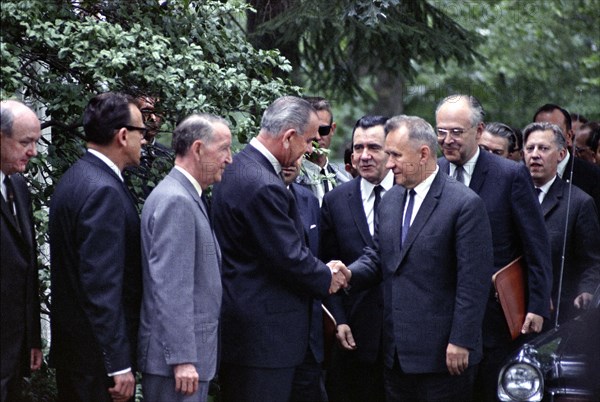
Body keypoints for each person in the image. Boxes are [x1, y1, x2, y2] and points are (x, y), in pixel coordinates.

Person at [345, 115, 494, 401]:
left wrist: (461, 340)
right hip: (396, 356)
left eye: (395, 155)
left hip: (444, 358)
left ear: (424, 154)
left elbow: (473, 283)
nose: (388, 164)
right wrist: (348, 274)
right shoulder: (390, 200)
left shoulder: (464, 205)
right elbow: (379, 257)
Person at [211, 96, 349, 402]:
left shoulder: (239, 166)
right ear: (289, 137)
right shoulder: (263, 183)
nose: (311, 149)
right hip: (263, 340)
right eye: (310, 141)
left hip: (253, 333)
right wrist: (327, 276)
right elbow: (288, 257)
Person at [436, 94, 552, 402]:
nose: (447, 140)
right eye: (441, 131)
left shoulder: (509, 175)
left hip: (495, 317)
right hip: (441, 316)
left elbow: (536, 244)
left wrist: (537, 305)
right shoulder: (431, 173)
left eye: (456, 132)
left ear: (478, 130)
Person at [49, 92, 145, 402]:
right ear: (122, 135)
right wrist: (117, 363)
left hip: (78, 355)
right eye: (141, 131)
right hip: (96, 365)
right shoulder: (103, 190)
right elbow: (102, 286)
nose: (145, 140)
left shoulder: (75, 177)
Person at [137, 114, 232, 401]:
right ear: (198, 149)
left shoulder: (185, 195)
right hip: (178, 367)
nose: (230, 159)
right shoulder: (176, 200)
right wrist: (182, 359)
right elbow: (171, 287)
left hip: (185, 363)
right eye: (224, 149)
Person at [320, 115, 391, 402]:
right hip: (354, 336)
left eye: (373, 147)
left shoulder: (411, 195)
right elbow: (327, 263)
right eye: (358, 147)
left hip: (405, 338)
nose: (363, 156)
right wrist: (339, 318)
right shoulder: (336, 200)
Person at [522, 121, 600, 323]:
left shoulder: (579, 202)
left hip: (557, 311)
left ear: (561, 154)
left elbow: (592, 261)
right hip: (511, 307)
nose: (535, 154)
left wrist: (586, 291)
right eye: (530, 148)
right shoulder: (510, 196)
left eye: (544, 148)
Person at [0, 100, 42, 402]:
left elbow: (26, 268)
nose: (33, 151)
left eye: (36, 142)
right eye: (25, 142)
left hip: (14, 354)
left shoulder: (18, 185)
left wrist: (33, 339)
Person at [281, 157, 328, 402]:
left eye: (296, 156)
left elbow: (317, 257)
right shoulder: (257, 196)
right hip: (273, 341)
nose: (289, 163)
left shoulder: (308, 198)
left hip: (310, 341)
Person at [533, 103, 600, 217]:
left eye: (553, 131)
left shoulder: (594, 177)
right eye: (538, 130)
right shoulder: (520, 174)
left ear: (569, 136)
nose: (544, 137)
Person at [296, 97, 351, 205]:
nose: (317, 137)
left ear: (332, 129)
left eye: (322, 130)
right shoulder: (290, 178)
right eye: (310, 130)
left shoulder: (345, 181)